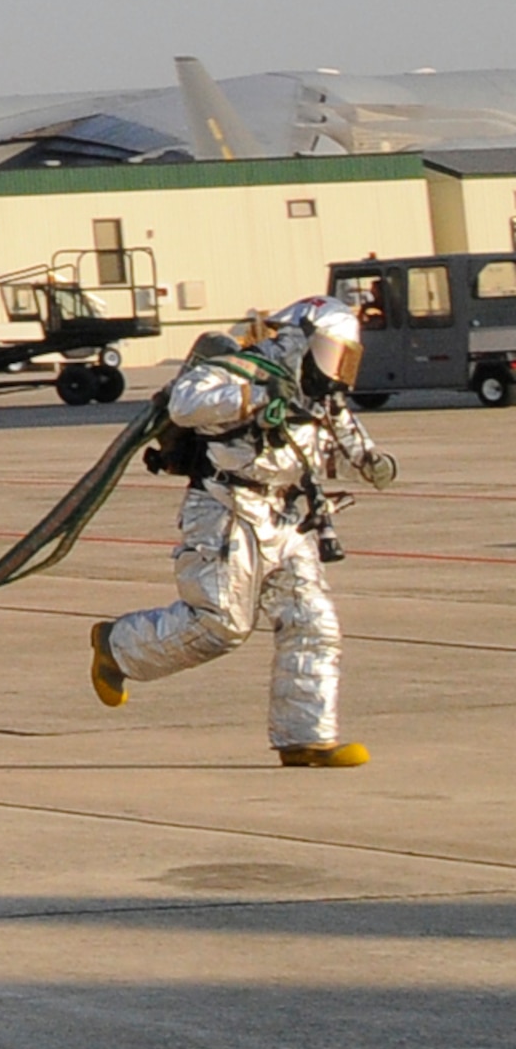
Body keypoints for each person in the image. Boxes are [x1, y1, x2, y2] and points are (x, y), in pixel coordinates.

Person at [89, 297, 398, 767]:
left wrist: (374, 465)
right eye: (333, 353)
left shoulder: (319, 399)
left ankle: (306, 738)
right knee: (221, 625)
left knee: (313, 621)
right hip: (225, 510)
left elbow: (349, 446)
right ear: (303, 340)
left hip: (283, 516)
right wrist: (254, 399)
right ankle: (117, 647)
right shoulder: (242, 371)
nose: (338, 369)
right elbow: (186, 402)